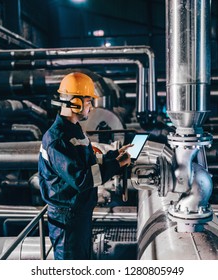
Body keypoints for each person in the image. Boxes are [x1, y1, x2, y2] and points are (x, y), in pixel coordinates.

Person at [38, 72, 132, 260]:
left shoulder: (73, 130)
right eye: (89, 101)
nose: (91, 106)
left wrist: (114, 156)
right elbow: (82, 179)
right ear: (76, 103)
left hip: (78, 213)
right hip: (67, 218)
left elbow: (88, 162)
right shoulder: (58, 139)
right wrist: (116, 165)